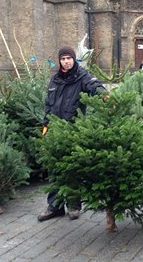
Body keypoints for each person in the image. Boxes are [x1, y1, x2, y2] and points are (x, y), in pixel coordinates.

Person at [38, 45, 106, 222]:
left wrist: (104, 95)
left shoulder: (81, 76)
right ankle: (55, 206)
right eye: (63, 59)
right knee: (54, 169)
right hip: (54, 131)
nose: (66, 61)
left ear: (74, 59)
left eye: (69, 58)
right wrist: (46, 125)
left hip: (72, 130)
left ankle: (74, 205)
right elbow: (49, 105)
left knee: (71, 168)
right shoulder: (55, 80)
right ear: (59, 61)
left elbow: (94, 85)